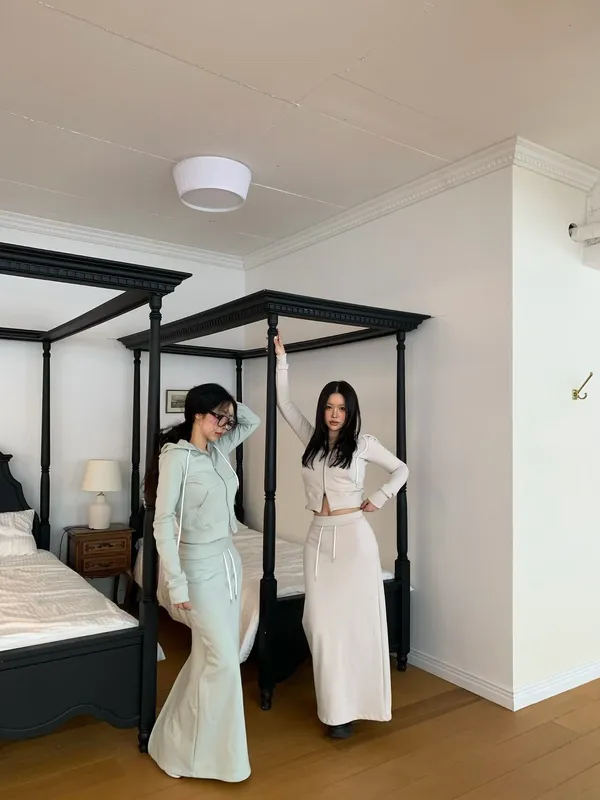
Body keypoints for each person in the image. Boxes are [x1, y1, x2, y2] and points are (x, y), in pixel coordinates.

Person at [274, 334, 408, 739]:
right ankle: (334, 705)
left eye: (342, 408)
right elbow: (285, 403)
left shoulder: (363, 445)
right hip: (318, 539)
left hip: (354, 540)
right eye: (329, 408)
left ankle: (350, 712)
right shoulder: (312, 441)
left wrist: (379, 498)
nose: (335, 415)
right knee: (319, 624)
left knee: (357, 624)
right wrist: (281, 359)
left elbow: (401, 469)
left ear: (351, 413)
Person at [144, 383, 260, 782]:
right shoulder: (177, 458)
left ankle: (187, 743)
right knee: (224, 660)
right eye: (218, 417)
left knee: (208, 658)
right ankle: (189, 752)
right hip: (197, 569)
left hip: (228, 564)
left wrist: (224, 404)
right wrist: (175, 583)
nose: (226, 425)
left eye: (228, 419)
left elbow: (252, 420)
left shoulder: (218, 450)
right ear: (196, 413)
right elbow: (162, 523)